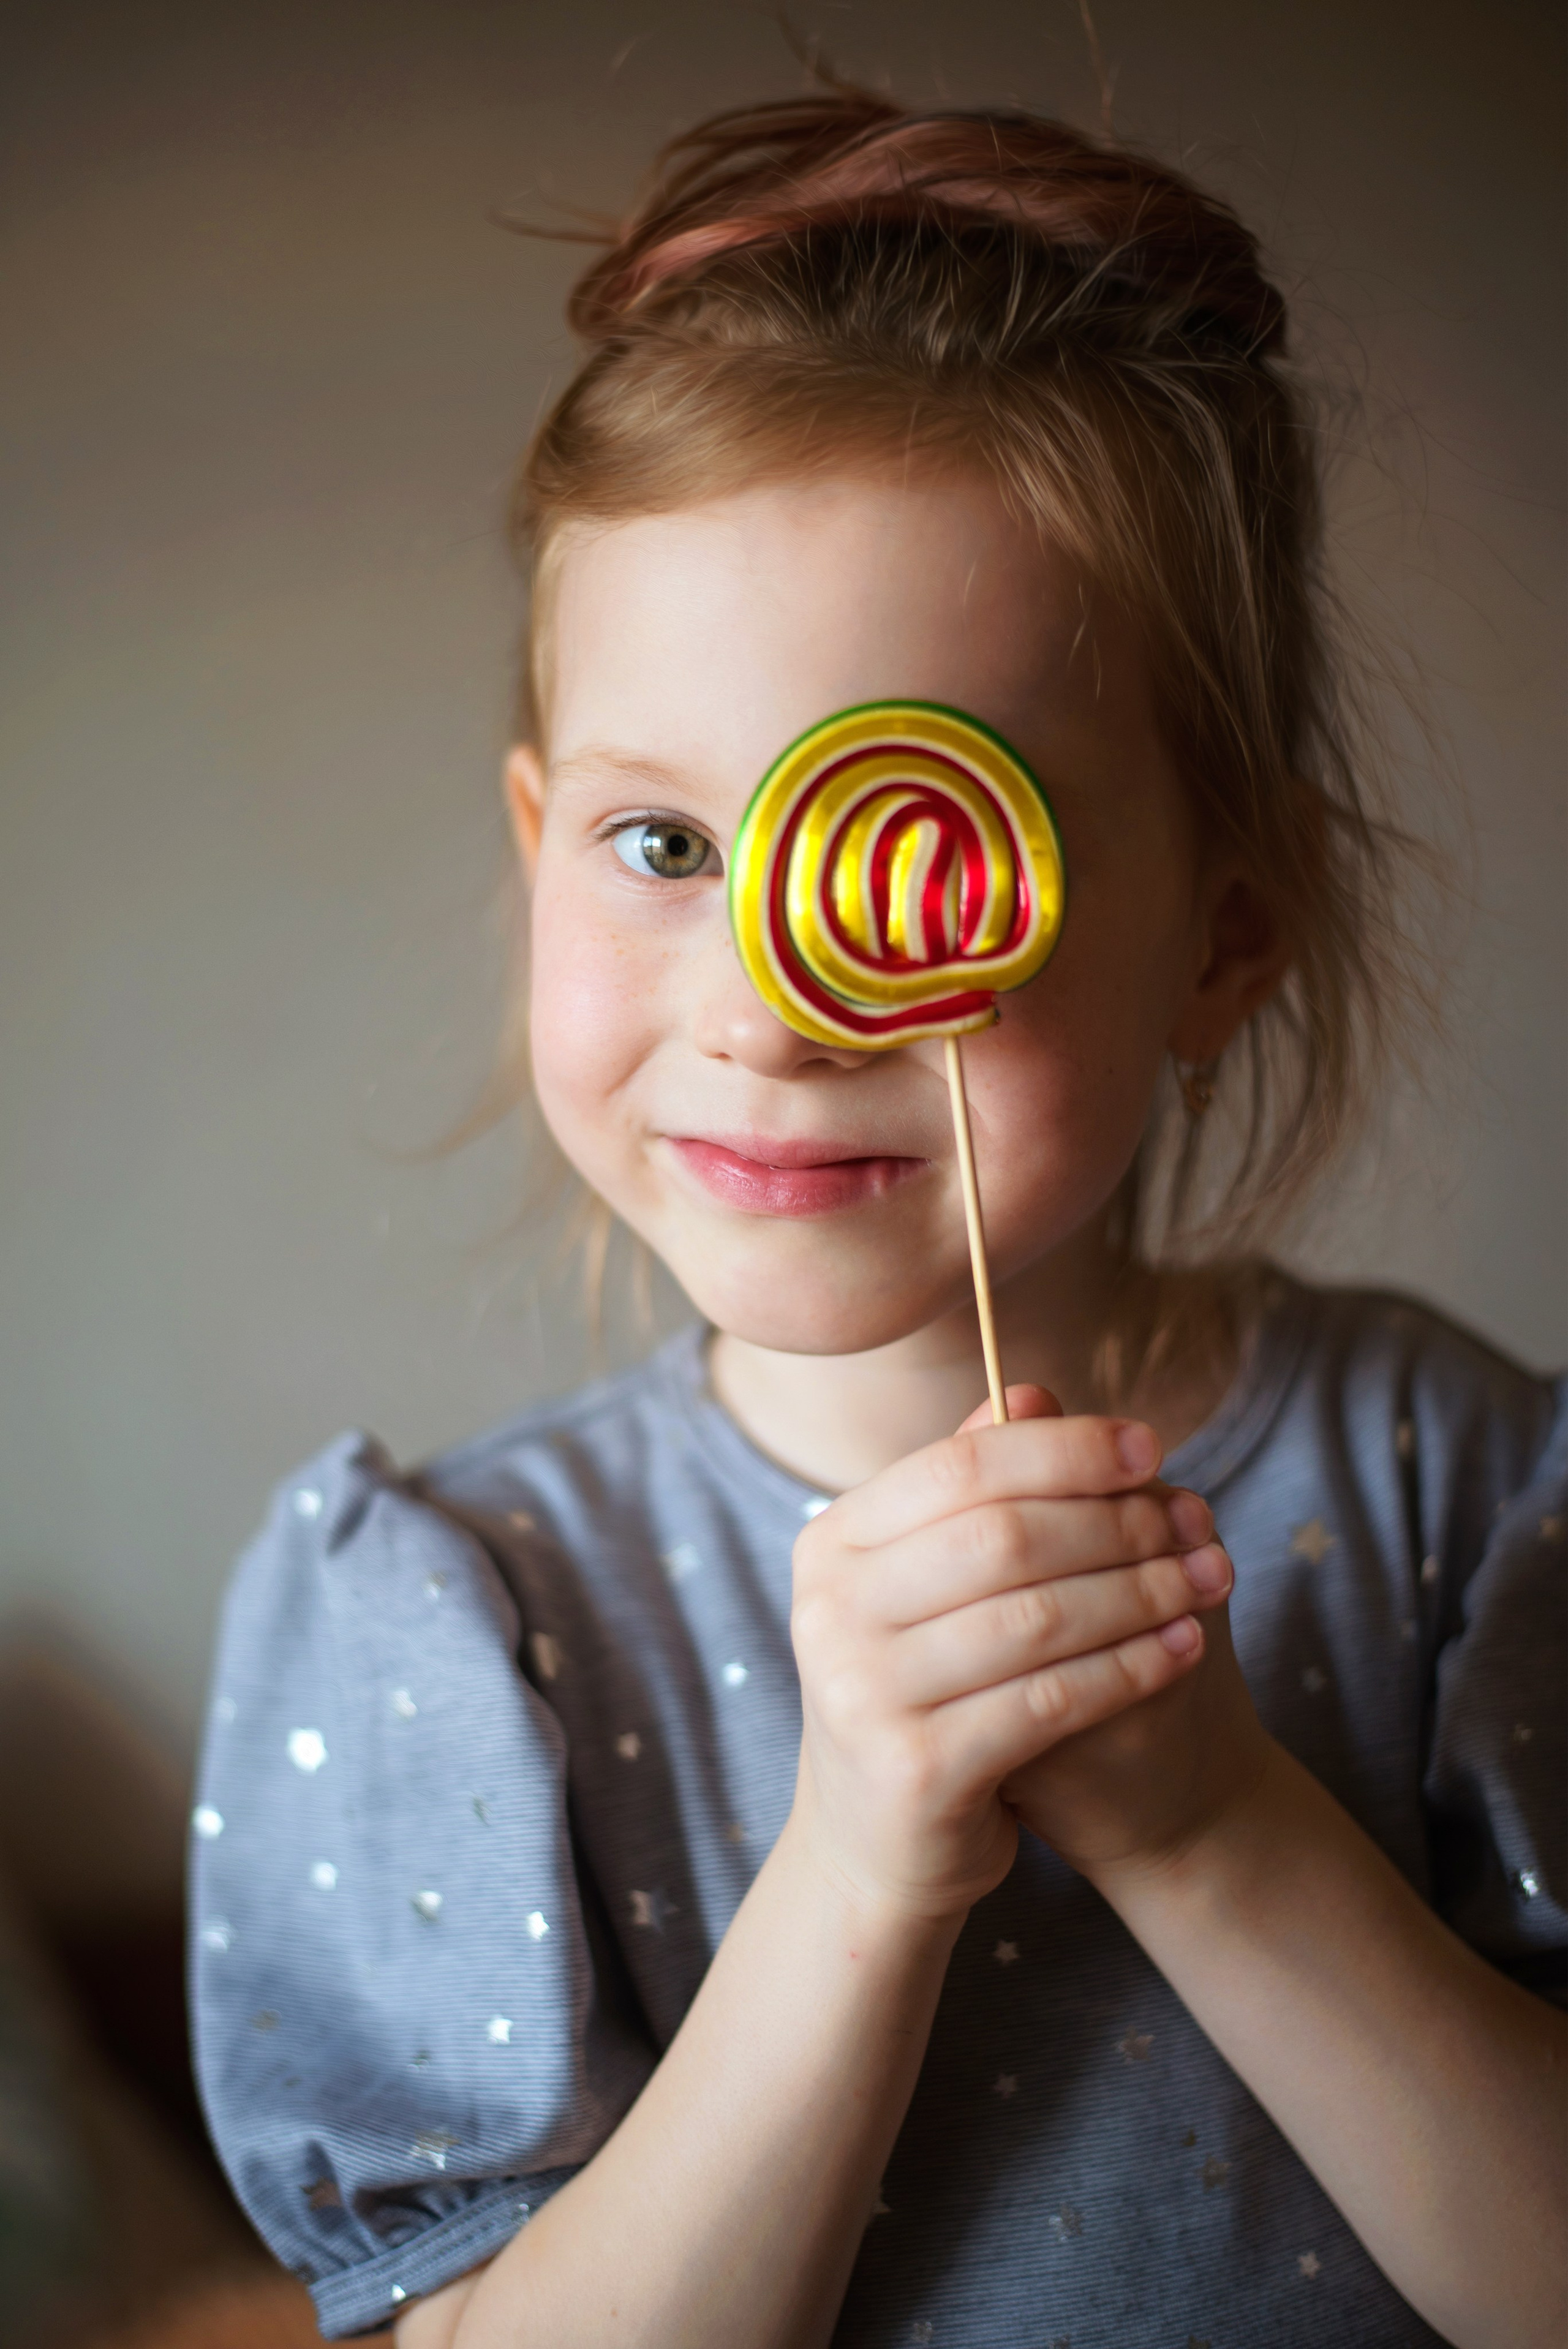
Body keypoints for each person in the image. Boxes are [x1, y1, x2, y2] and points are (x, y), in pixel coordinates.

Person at [189, 91, 1566, 2349]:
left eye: (917, 845)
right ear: (536, 834)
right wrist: (851, 1874)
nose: (771, 1006)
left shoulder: (1484, 1501)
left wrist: (1225, 1831)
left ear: (1228, 930)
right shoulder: (456, 1631)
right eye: (660, 845)